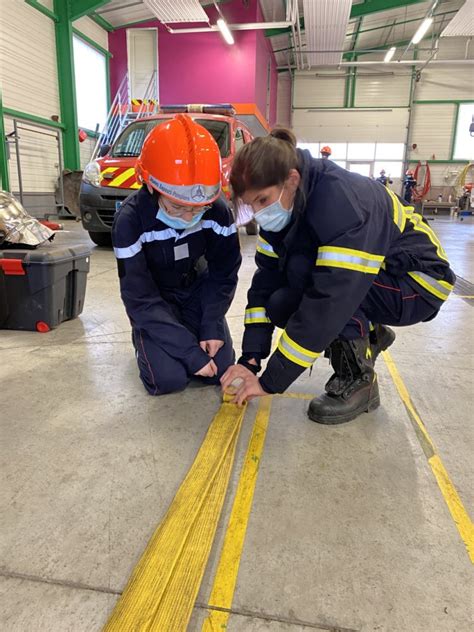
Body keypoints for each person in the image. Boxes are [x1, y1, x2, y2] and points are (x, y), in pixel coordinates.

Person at [221, 128, 455, 424]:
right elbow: (264, 286)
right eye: (250, 204)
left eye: (262, 200)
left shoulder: (340, 203)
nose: (258, 213)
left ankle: (359, 381)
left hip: (419, 284)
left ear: (291, 180)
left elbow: (330, 301)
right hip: (382, 278)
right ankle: (369, 336)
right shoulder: (283, 208)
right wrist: (250, 359)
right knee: (281, 301)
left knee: (308, 275)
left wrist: (271, 381)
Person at [112, 114, 241, 395]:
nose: (189, 216)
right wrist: (188, 352)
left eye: (198, 208)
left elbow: (223, 273)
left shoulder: (217, 211)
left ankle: (189, 331)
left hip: (196, 290)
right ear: (149, 185)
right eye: (177, 207)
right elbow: (139, 296)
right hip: (155, 299)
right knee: (168, 380)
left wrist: (212, 325)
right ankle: (145, 338)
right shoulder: (130, 222)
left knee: (217, 370)